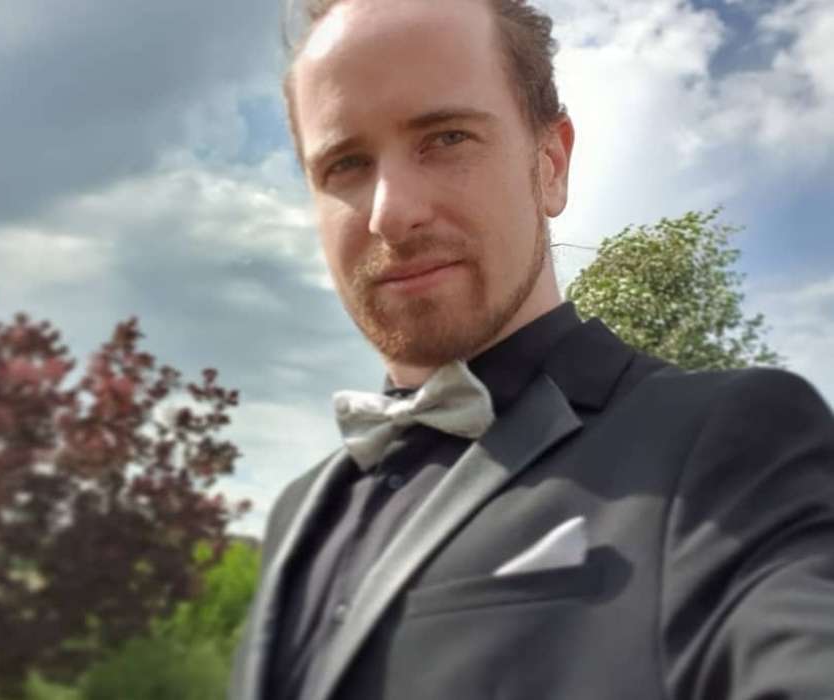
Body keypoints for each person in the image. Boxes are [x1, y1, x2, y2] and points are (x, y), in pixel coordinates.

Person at [229, 0, 834, 698]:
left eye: (447, 137)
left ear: (550, 165)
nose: (391, 212)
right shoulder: (297, 510)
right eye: (345, 164)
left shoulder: (731, 443)